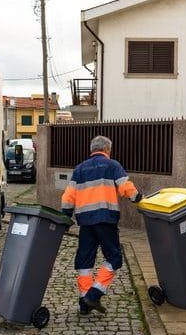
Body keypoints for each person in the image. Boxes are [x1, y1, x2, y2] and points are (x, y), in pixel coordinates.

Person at [61, 135, 143, 315]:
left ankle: (84, 303)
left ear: (92, 150)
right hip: (105, 220)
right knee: (114, 258)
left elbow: (68, 197)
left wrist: (66, 217)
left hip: (85, 222)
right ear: (106, 149)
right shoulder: (112, 165)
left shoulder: (79, 169)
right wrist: (137, 197)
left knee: (85, 260)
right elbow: (125, 186)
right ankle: (94, 294)